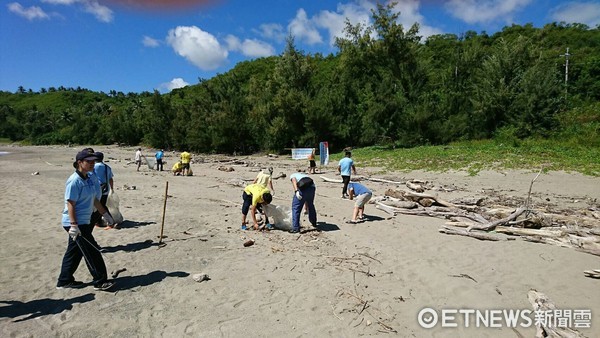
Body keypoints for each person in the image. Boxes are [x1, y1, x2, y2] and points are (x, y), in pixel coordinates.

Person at [57, 149, 115, 291]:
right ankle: (100, 281)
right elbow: (71, 203)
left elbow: (94, 200)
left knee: (74, 252)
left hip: (84, 220)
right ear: (79, 162)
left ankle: (64, 280)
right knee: (92, 251)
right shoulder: (74, 180)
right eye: (88, 161)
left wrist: (105, 215)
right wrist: (73, 225)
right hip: (76, 222)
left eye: (93, 161)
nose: (92, 164)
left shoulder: (88, 178)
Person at [90, 152, 115, 228]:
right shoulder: (107, 167)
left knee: (100, 206)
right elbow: (110, 179)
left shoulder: (93, 167)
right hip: (105, 189)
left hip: (97, 190)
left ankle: (110, 221)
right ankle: (99, 221)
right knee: (102, 205)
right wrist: (112, 188)